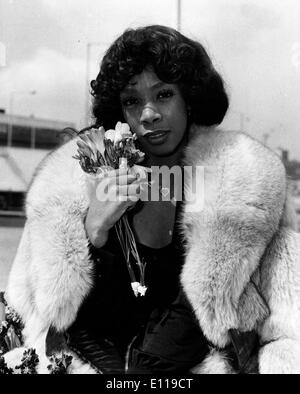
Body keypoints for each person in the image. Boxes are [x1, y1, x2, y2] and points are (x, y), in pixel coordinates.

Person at [4, 25, 300, 374]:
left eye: (163, 95)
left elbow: (289, 326)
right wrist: (94, 232)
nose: (148, 114)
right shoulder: (68, 189)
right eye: (132, 101)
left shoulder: (247, 183)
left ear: (189, 98)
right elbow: (36, 320)